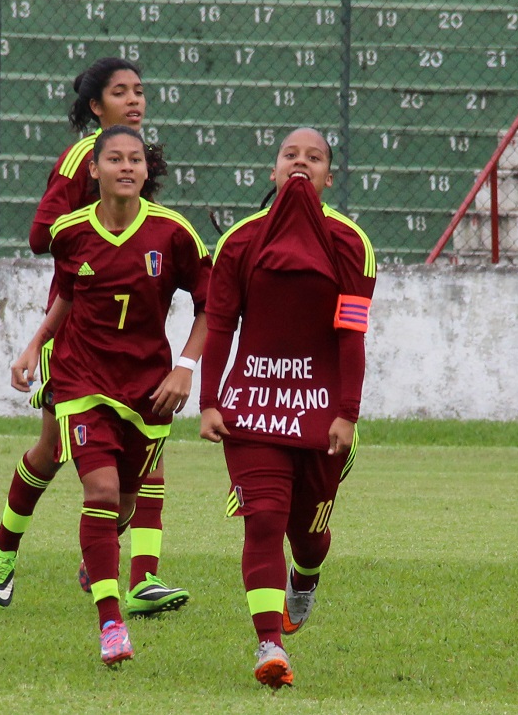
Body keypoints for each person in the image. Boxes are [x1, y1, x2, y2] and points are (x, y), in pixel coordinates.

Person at [0, 57, 189, 616]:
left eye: (140, 91)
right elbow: (40, 234)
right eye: (121, 93)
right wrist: (95, 236)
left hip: (129, 341)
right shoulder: (84, 157)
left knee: (149, 453)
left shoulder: (135, 157)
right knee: (51, 452)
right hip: (77, 335)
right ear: (96, 107)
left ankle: (141, 578)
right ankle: (3, 544)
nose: (135, 101)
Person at [199, 128, 377, 688]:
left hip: (321, 414)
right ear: (273, 172)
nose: (301, 163)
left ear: (329, 177)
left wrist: (347, 412)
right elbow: (220, 324)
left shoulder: (352, 244)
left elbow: (352, 335)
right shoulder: (238, 242)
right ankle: (269, 646)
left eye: (314, 157)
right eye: (290, 155)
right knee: (264, 520)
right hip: (253, 408)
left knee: (307, 534)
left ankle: (306, 574)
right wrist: (209, 400)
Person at [34, 125, 211, 664]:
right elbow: (67, 293)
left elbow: (212, 307)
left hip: (147, 387)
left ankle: (100, 554)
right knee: (103, 492)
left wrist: (185, 368)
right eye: (115, 158)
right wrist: (34, 346)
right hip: (81, 380)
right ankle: (112, 625)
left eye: (136, 159)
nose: (126, 167)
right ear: (95, 169)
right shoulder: (70, 231)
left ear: (145, 170)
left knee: (127, 500)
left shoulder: (174, 233)